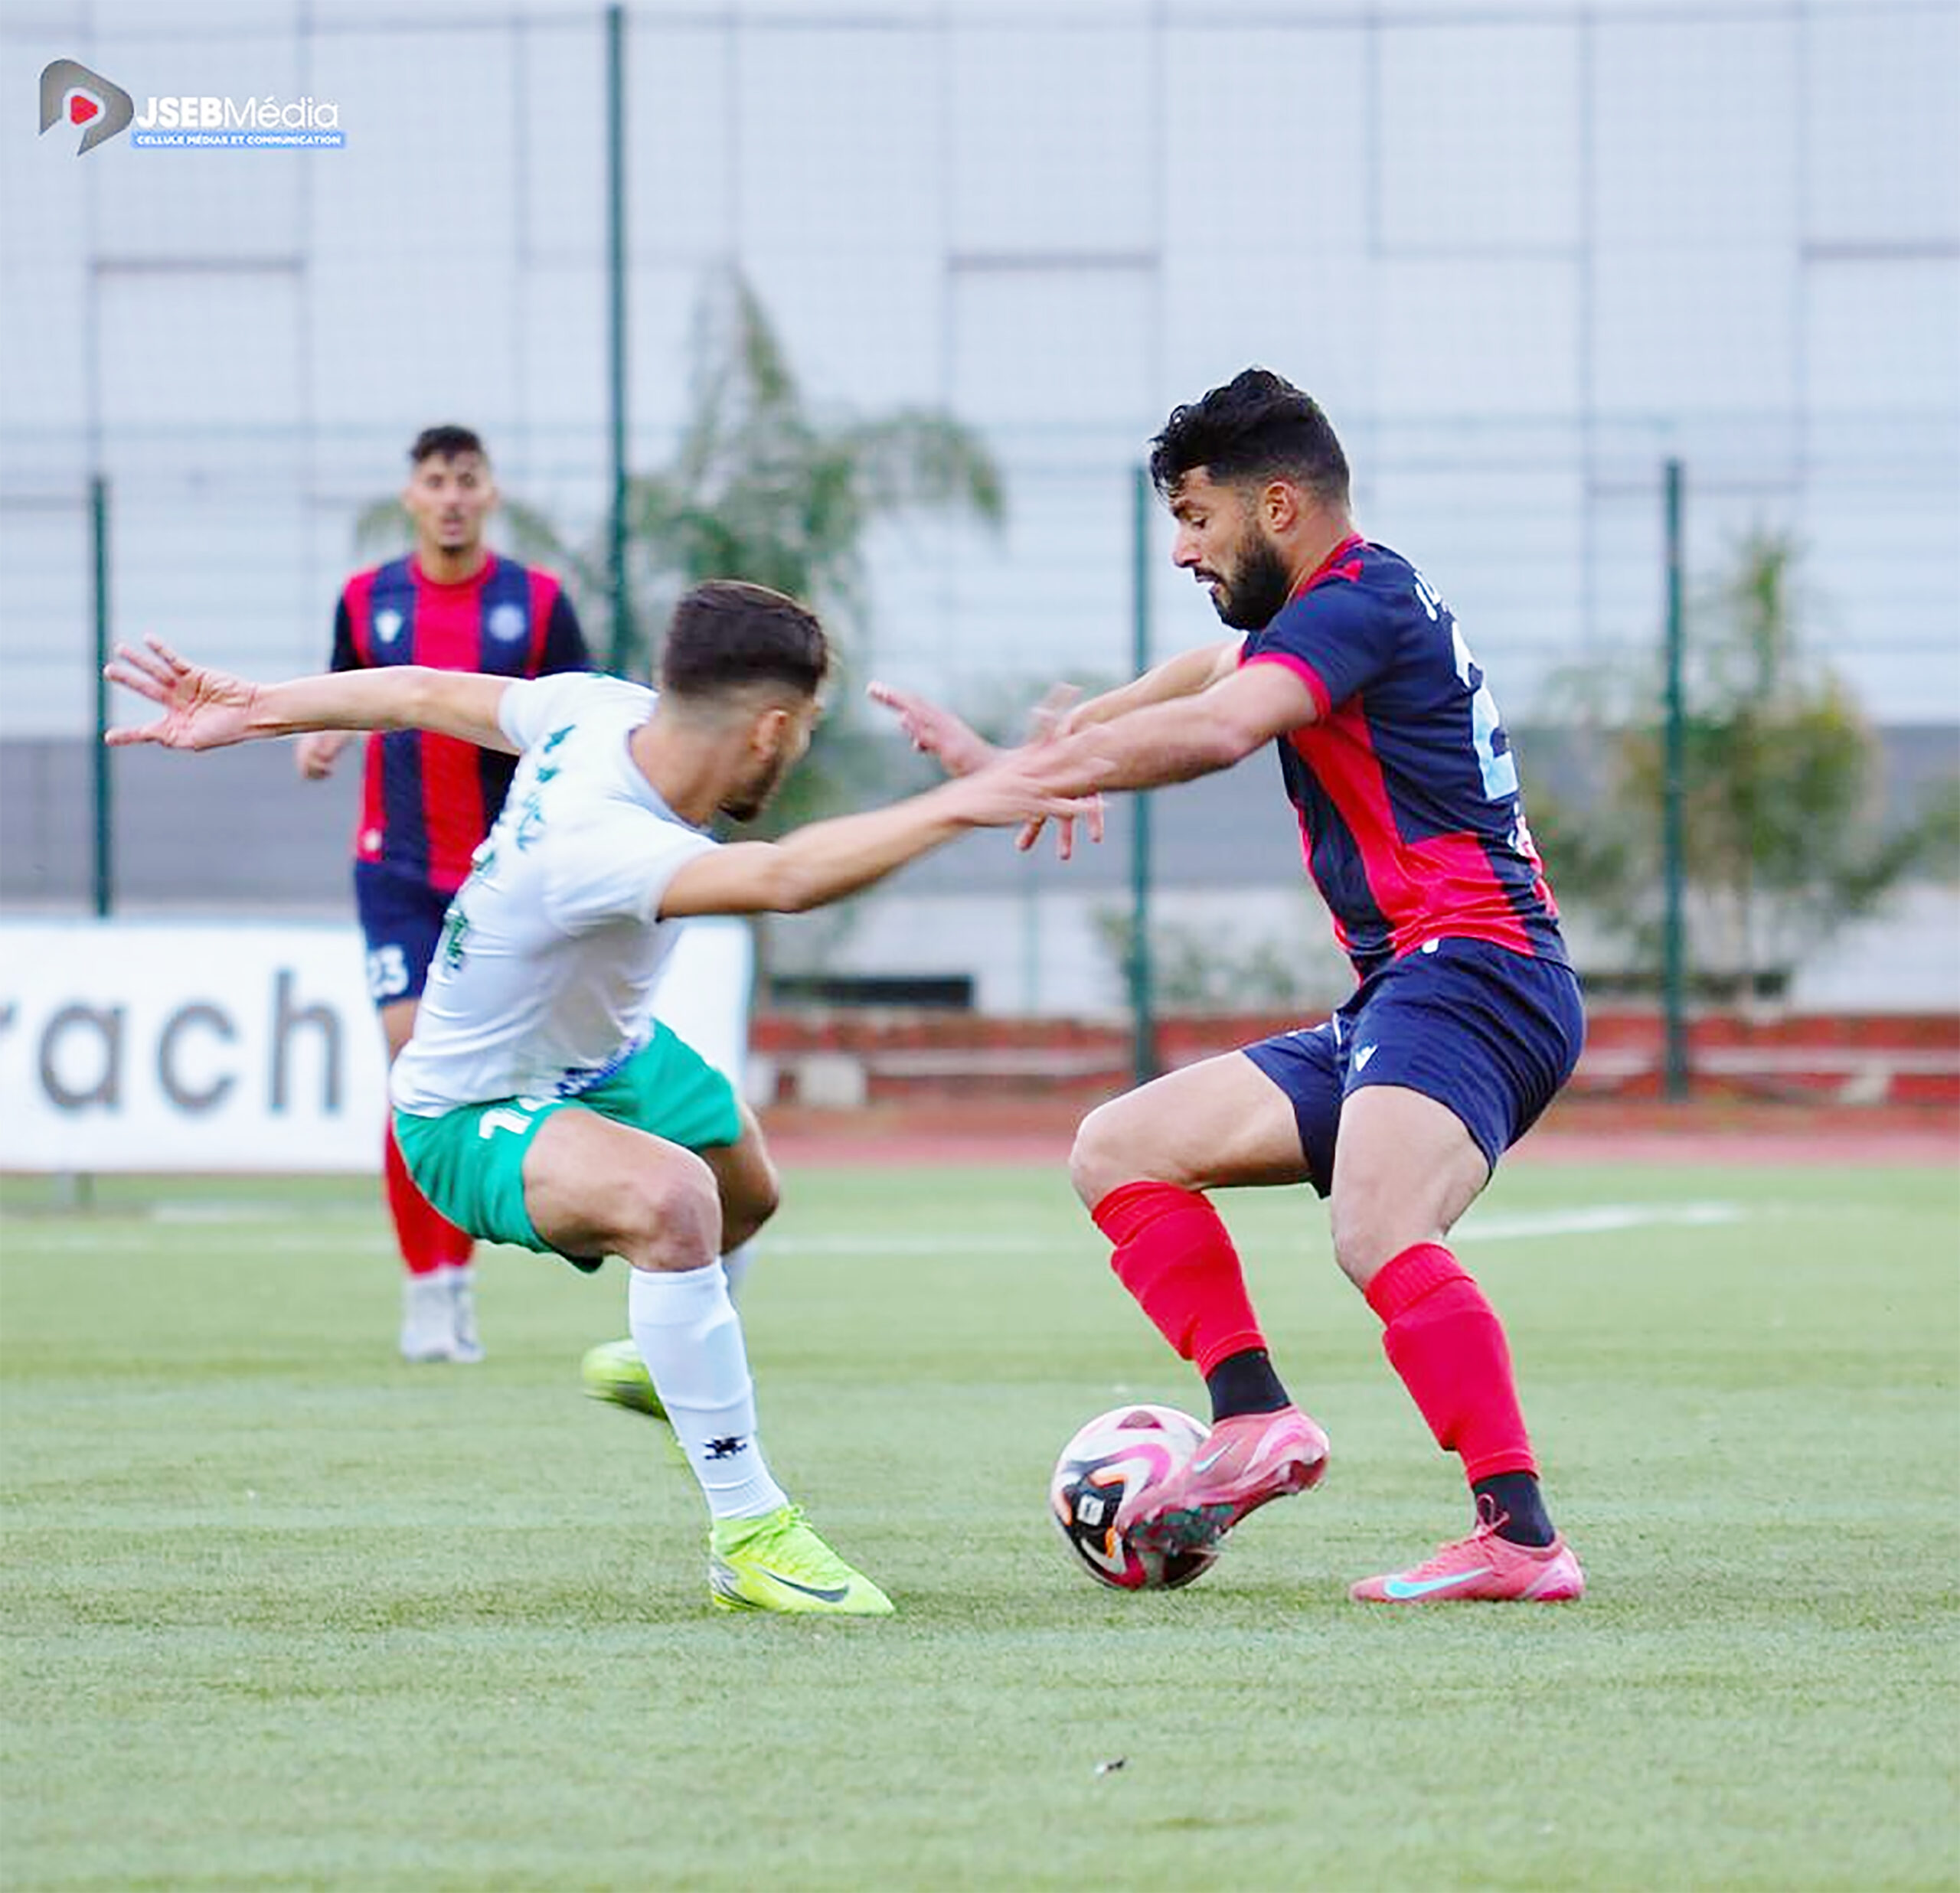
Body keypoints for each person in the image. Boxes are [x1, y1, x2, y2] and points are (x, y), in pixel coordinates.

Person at [104, 582, 1099, 1617]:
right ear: (767, 728)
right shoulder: (598, 841)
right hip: (468, 1112)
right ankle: (750, 1533)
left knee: (744, 1189)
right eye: (801, 733)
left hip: (608, 1056)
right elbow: (786, 878)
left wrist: (256, 704)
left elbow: (419, 690)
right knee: (675, 1203)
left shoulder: (595, 708)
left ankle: (663, 1356)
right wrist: (961, 804)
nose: (796, 752)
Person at [871, 367, 1587, 1604]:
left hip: (1479, 966)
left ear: (1278, 507)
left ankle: (1520, 1536)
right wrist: (1068, 736)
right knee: (1120, 1147)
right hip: (1408, 988)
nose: (1182, 549)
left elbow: (1222, 726)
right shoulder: (1340, 600)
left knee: (1376, 1226)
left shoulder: (1359, 601)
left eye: (1196, 519)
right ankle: (1254, 1415)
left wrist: (1025, 779)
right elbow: (1201, 678)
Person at [296, 424, 593, 1366]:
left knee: (472, 1073)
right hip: (394, 866)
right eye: (436, 480)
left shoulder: (537, 603)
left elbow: (576, 715)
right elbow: (350, 680)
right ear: (412, 496)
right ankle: (429, 1289)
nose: (453, 496)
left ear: (491, 493)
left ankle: (461, 1270)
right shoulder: (367, 597)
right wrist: (326, 734)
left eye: (468, 479)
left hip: (505, 873)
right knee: (413, 1057)